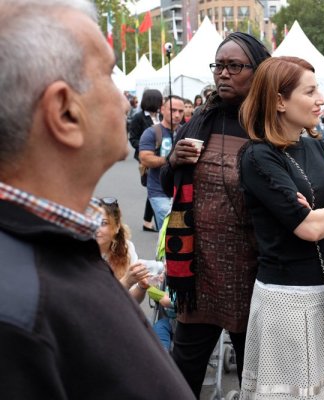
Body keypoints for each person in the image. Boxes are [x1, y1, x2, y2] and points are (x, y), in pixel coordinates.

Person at [0, 1, 195, 398]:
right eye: (108, 74)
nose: (126, 103)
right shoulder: (20, 305)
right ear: (65, 112)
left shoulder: (53, 248)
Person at [239, 56, 324, 400]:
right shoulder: (258, 156)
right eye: (310, 91)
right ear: (279, 100)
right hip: (287, 300)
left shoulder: (315, 144)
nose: (321, 97)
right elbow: (308, 230)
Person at [159, 32, 270, 398]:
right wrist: (174, 160)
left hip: (251, 275)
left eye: (234, 66)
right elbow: (164, 179)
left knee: (252, 376)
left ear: (257, 72)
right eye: (219, 66)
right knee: (183, 372)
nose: (223, 74)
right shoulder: (200, 120)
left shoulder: (269, 127)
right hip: (199, 274)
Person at [140, 95, 185, 231]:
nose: (177, 115)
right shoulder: (152, 132)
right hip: (158, 191)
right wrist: (169, 159)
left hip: (181, 191)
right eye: (173, 110)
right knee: (169, 230)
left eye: (180, 111)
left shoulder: (185, 131)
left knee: (178, 234)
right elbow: (145, 158)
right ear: (163, 110)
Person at [96, 197, 150, 303]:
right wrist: (126, 282)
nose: (96, 228)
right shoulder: (79, 253)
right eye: (93, 222)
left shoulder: (127, 248)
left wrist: (141, 287)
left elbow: (133, 303)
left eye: (103, 223)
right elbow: (95, 302)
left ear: (117, 227)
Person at [129, 88, 163, 232]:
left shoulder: (161, 116)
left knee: (155, 188)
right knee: (153, 187)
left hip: (162, 157)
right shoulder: (139, 117)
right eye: (159, 100)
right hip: (146, 159)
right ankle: (151, 221)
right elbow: (133, 138)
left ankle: (147, 221)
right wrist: (146, 147)